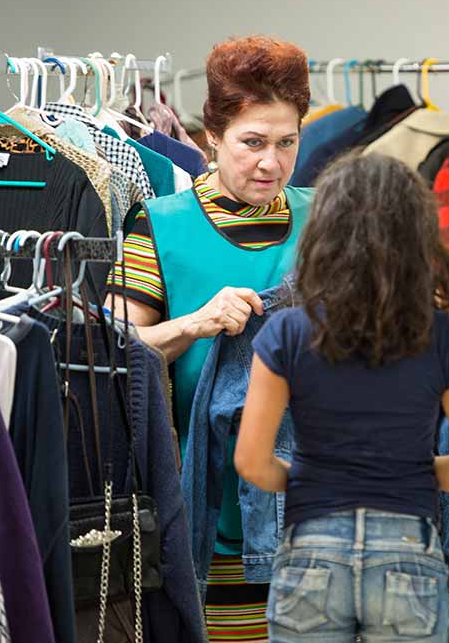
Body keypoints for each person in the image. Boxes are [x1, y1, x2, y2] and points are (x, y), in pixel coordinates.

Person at [234, 153, 449, 643]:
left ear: (323, 234)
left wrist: (319, 473)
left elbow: (251, 462)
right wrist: (407, 468)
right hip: (407, 549)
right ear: (418, 238)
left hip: (312, 543)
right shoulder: (446, 337)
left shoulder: (285, 333)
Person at [105, 35, 313, 638]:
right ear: (211, 137)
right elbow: (119, 353)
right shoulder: (161, 225)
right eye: (252, 143)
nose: (269, 163)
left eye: (286, 143)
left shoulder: (327, 218)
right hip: (203, 511)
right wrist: (195, 323)